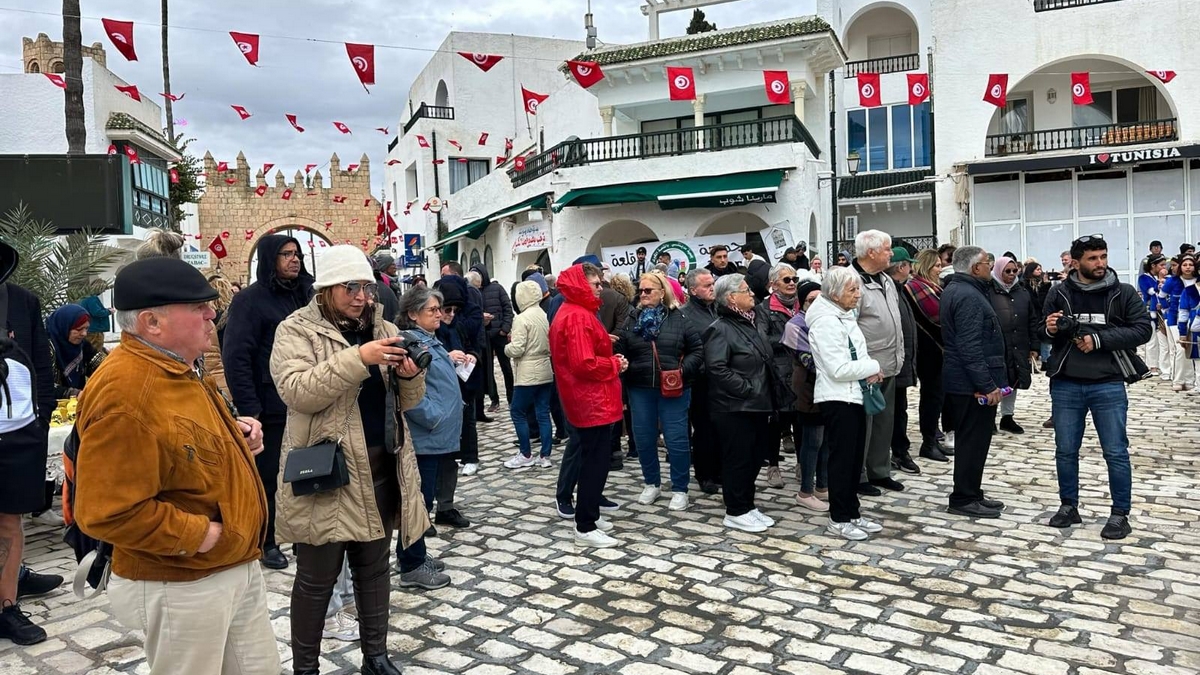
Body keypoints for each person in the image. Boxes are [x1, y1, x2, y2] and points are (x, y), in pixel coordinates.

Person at [74, 256, 278, 673]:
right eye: (198, 306)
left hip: (226, 566)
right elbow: (105, 511)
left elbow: (175, 443)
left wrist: (231, 438)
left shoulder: (171, 366)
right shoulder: (128, 391)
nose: (212, 313)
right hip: (181, 578)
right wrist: (200, 533)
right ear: (151, 322)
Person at [270, 245, 430, 675]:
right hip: (329, 471)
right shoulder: (296, 330)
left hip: (383, 465)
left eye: (367, 287)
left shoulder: (384, 326)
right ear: (326, 289)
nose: (362, 296)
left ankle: (375, 657)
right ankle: (306, 668)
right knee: (316, 579)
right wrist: (360, 358)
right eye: (351, 287)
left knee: (374, 570)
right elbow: (298, 390)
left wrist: (411, 377)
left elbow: (407, 402)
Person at [1043, 234, 1151, 539]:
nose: (1100, 263)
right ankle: (1068, 506)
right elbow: (1040, 328)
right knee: (1065, 451)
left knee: (1116, 451)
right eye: (1093, 258)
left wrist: (1099, 340)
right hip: (1065, 383)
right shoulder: (1059, 293)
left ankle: (1120, 514)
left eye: (1103, 256)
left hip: (1108, 383)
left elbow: (1143, 329)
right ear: (1076, 263)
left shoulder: (1124, 292)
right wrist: (1050, 328)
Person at [223, 234, 315, 570]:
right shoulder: (250, 301)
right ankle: (267, 540)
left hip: (306, 399)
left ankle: (305, 537)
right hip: (269, 405)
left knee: (308, 471)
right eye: (286, 254)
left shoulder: (308, 294)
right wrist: (250, 409)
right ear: (269, 259)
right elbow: (237, 356)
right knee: (269, 478)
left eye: (297, 253)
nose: (294, 260)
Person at [0, 239, 59, 647]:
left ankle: (6, 606)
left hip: (18, 432)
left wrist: (41, 420)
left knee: (10, 521)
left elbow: (41, 362)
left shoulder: (22, 301)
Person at [550, 262, 627, 548]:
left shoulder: (576, 313)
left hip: (589, 397)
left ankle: (589, 511)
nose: (601, 288)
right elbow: (584, 363)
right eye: (596, 284)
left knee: (593, 458)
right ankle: (585, 524)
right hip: (590, 398)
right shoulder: (577, 316)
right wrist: (614, 364)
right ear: (583, 285)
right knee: (595, 461)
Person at [806, 267, 884, 541]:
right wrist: (872, 366)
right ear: (836, 294)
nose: (858, 295)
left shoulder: (843, 315)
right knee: (841, 461)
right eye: (852, 290)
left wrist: (867, 369)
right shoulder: (826, 321)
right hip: (838, 397)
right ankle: (839, 517)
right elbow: (837, 368)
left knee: (853, 460)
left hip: (854, 395)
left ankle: (852, 511)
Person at [615, 272, 703, 511]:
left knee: (676, 439)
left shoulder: (679, 318)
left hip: (674, 388)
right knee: (643, 438)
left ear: (662, 292)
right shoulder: (632, 319)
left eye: (648, 291)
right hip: (640, 387)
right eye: (641, 291)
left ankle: (680, 488)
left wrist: (682, 371)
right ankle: (651, 482)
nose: (643, 295)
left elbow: (697, 350)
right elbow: (621, 347)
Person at [393, 286, 459, 587]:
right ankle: (411, 564)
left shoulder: (430, 340)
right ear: (412, 314)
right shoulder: (411, 343)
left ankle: (414, 553)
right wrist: (434, 416)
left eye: (438, 309)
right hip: (425, 435)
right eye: (431, 310)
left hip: (437, 433)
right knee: (419, 499)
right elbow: (410, 392)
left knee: (423, 498)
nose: (438, 314)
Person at [705, 274, 777, 533]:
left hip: (757, 403)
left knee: (756, 455)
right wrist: (746, 389)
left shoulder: (748, 322)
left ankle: (747, 503)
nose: (753, 295)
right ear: (732, 297)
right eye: (746, 291)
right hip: (735, 406)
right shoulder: (720, 328)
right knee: (739, 458)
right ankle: (735, 509)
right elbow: (717, 368)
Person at [941, 246, 1008, 519]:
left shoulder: (965, 290)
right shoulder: (967, 295)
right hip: (970, 384)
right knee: (972, 441)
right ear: (974, 268)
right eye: (986, 263)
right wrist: (986, 384)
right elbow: (969, 346)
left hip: (968, 380)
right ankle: (963, 497)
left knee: (976, 441)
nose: (990, 267)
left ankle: (972, 491)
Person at [851, 230, 905, 495]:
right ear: (870, 252)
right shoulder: (852, 281)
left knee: (885, 421)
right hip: (866, 366)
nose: (891, 253)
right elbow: (848, 327)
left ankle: (880, 471)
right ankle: (858, 475)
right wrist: (862, 364)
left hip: (888, 362)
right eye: (886, 248)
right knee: (863, 424)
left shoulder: (885, 279)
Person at [428, 277, 477, 530]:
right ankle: (422, 514)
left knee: (450, 460)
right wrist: (447, 357)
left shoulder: (456, 325)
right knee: (429, 463)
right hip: (435, 407)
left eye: (453, 311)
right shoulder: (425, 332)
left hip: (459, 398)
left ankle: (445, 506)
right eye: (445, 310)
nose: (449, 315)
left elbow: (472, 344)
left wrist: (470, 356)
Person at [781, 279, 828, 513]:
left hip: (827, 385)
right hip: (808, 388)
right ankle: (806, 490)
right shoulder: (796, 325)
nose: (817, 303)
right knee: (812, 441)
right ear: (802, 303)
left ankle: (822, 484)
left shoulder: (827, 320)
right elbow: (808, 359)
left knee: (826, 440)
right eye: (811, 300)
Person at [757, 264, 804, 489]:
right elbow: (762, 340)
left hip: (803, 371)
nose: (792, 283)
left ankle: (803, 464)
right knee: (776, 423)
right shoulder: (764, 309)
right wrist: (791, 338)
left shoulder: (803, 304)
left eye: (794, 278)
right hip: (778, 373)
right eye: (786, 280)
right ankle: (773, 466)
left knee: (802, 420)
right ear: (774, 284)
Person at [903, 250, 950, 462]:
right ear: (926, 266)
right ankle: (928, 441)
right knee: (931, 397)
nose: (940, 270)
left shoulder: (933, 287)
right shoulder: (915, 287)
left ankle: (932, 437)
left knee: (937, 396)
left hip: (937, 350)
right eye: (937, 266)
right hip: (927, 350)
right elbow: (938, 315)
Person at [503, 280, 554, 468]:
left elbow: (517, 349)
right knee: (543, 412)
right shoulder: (544, 314)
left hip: (528, 371)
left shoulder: (522, 319)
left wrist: (506, 348)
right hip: (545, 368)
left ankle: (525, 453)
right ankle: (545, 455)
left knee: (517, 411)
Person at [989, 256, 1040, 435]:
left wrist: (1034, 346)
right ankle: (989, 418)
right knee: (996, 380)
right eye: (1007, 271)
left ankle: (1007, 417)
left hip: (1019, 343)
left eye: (1014, 271)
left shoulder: (1022, 292)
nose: (1011, 275)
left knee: (1014, 380)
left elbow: (1032, 320)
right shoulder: (989, 291)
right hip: (996, 344)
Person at [681, 269, 721, 495]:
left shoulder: (718, 308)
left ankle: (719, 470)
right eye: (706, 285)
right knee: (704, 428)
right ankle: (705, 474)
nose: (711, 288)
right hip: (700, 380)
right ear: (693, 290)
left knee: (721, 428)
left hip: (721, 379)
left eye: (712, 284)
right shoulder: (685, 315)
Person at [885, 249, 920, 474]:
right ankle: (898, 451)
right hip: (890, 362)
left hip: (902, 359)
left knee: (900, 408)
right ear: (901, 267)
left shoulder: (900, 289)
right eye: (909, 265)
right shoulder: (890, 290)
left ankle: (899, 449)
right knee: (894, 411)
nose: (911, 269)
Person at [472, 264, 515, 415]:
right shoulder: (474, 291)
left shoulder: (497, 289)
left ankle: (512, 397)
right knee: (487, 370)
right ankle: (494, 399)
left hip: (499, 335)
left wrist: (505, 329)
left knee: (506, 368)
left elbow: (507, 308)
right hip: (485, 336)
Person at [46, 304, 106, 398]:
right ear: (64, 327)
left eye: (86, 328)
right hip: (50, 407)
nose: (84, 334)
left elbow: (101, 366)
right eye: (79, 329)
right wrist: (75, 394)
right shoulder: (46, 348)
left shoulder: (82, 345)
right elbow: (42, 386)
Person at [1163, 255, 1199, 392]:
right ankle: (1178, 379)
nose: (1188, 267)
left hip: (1193, 320)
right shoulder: (1173, 281)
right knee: (1180, 349)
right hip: (1174, 319)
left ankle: (1189, 380)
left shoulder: (1198, 281)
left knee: (1191, 349)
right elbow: (1161, 296)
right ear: (1180, 267)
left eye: (1191, 264)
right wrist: (1167, 311)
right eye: (1185, 265)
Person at [1138, 254, 1171, 379]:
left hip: (1161, 311)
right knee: (1152, 339)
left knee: (1164, 341)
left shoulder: (1163, 278)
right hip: (1149, 311)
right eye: (1161, 265)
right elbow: (1151, 291)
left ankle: (1165, 366)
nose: (1164, 267)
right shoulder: (1144, 278)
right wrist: (1161, 280)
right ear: (1153, 266)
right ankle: (1152, 365)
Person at [371, 255, 401, 323]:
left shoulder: (393, 284)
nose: (395, 267)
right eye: (392, 264)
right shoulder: (380, 285)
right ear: (385, 266)